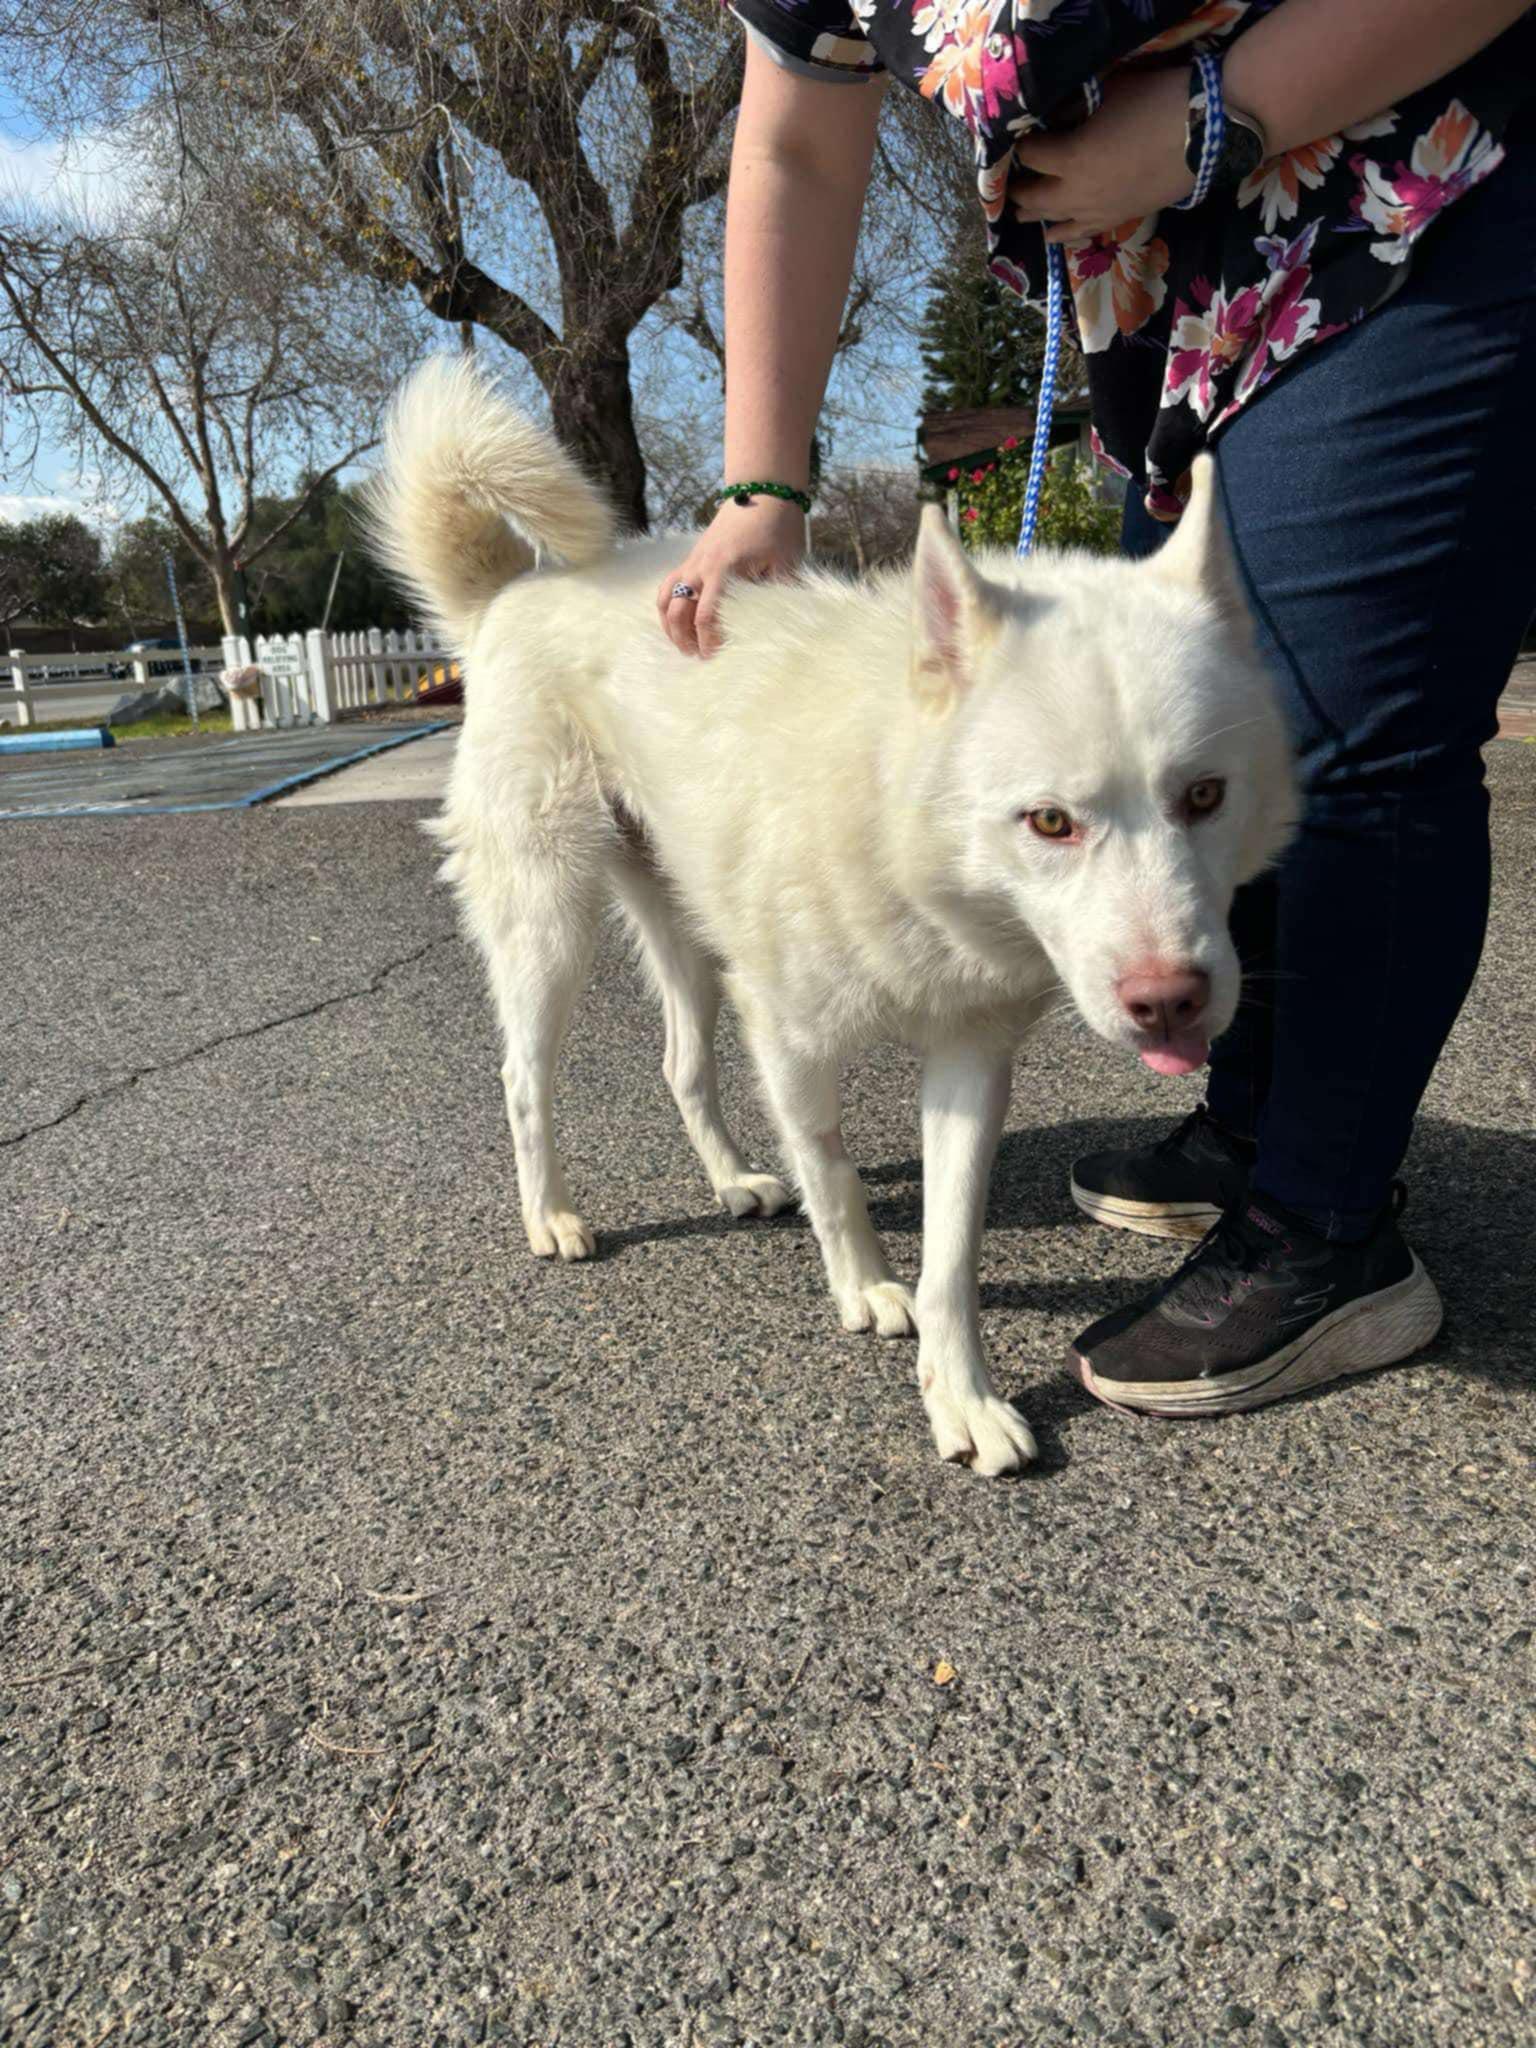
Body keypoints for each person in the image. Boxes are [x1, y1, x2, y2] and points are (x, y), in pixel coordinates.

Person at [659, 0, 1536, 1419]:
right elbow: (797, 151)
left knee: (1344, 716)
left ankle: (1328, 1227)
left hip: (1429, 179)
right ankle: (1254, 1129)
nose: (1152, 954)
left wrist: (1220, 108)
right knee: (1170, 710)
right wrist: (762, 483)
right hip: (1162, 294)